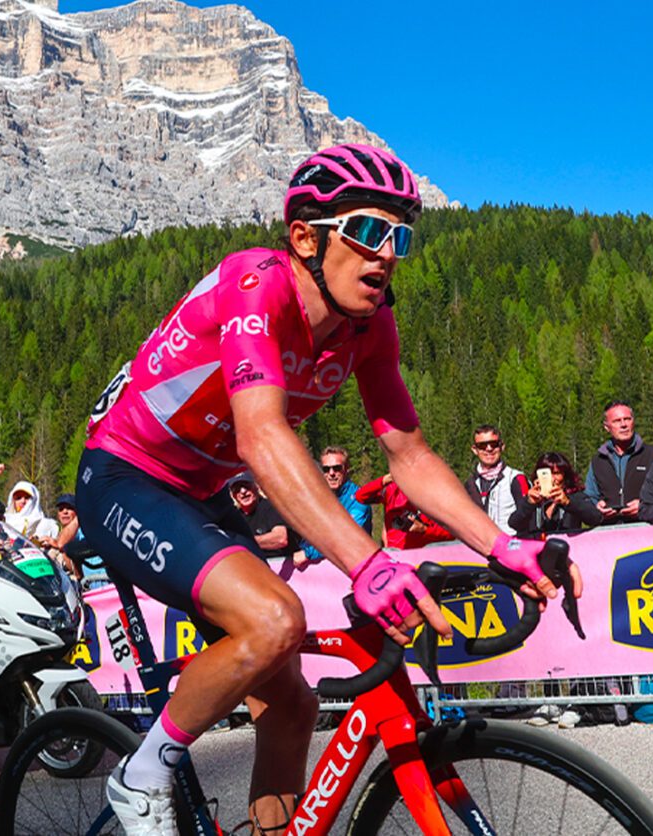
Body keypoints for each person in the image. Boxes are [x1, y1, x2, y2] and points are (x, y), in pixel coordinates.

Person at [75, 143, 569, 835]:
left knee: (293, 706)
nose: (387, 254)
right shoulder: (256, 284)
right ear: (307, 238)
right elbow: (262, 437)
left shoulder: (370, 325)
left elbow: (409, 453)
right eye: (367, 231)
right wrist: (368, 564)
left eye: (399, 238)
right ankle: (142, 777)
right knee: (275, 620)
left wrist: (503, 545)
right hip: (124, 475)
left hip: (204, 490)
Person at [583, 400, 653, 525]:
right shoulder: (598, 461)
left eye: (627, 419)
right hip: (610, 531)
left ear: (633, 422)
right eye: (617, 421)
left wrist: (645, 506)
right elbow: (589, 496)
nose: (623, 425)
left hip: (647, 529)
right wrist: (597, 506)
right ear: (606, 427)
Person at [298, 446, 373, 566]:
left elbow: (349, 538)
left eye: (337, 468)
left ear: (346, 469)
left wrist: (308, 553)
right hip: (324, 569)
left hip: (356, 565)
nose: (331, 473)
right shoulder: (318, 498)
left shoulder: (359, 498)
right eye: (326, 469)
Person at [508, 451, 603, 535]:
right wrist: (529, 504)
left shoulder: (575, 496)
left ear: (565, 475)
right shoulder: (533, 498)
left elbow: (595, 518)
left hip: (568, 547)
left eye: (556, 473)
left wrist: (568, 502)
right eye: (547, 474)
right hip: (537, 547)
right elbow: (514, 524)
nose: (552, 479)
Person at [355, 473, 454, 549]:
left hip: (424, 555)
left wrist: (424, 529)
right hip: (397, 554)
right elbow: (360, 496)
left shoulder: (433, 492)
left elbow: (451, 533)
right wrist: (385, 480)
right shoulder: (392, 488)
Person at [464, 424, 532, 534]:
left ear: (502, 446)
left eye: (494, 444)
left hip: (511, 541)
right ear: (475, 450)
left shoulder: (515, 478)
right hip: (480, 543)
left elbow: (527, 518)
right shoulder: (470, 484)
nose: (489, 449)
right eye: (482, 445)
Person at [228, 474, 302, 565]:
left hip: (287, 566)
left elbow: (280, 539)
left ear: (257, 487)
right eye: (237, 489)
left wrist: (245, 541)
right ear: (233, 495)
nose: (243, 491)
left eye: (246, 486)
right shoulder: (235, 518)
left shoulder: (272, 507)